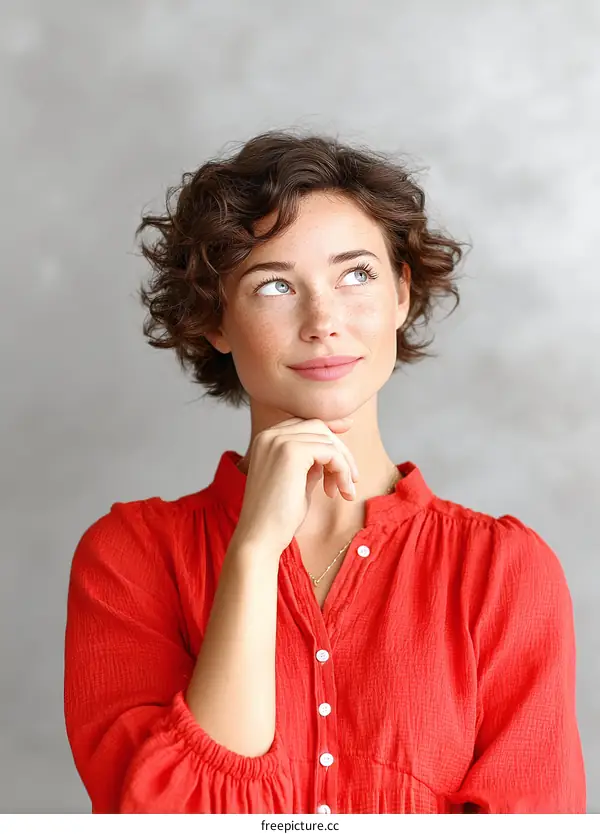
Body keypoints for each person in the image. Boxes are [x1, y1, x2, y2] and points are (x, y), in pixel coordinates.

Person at [63, 130, 586, 814]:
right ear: (215, 320)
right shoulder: (130, 557)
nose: (324, 321)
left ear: (401, 293)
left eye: (357, 274)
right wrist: (253, 553)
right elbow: (167, 817)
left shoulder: (504, 572)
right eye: (275, 284)